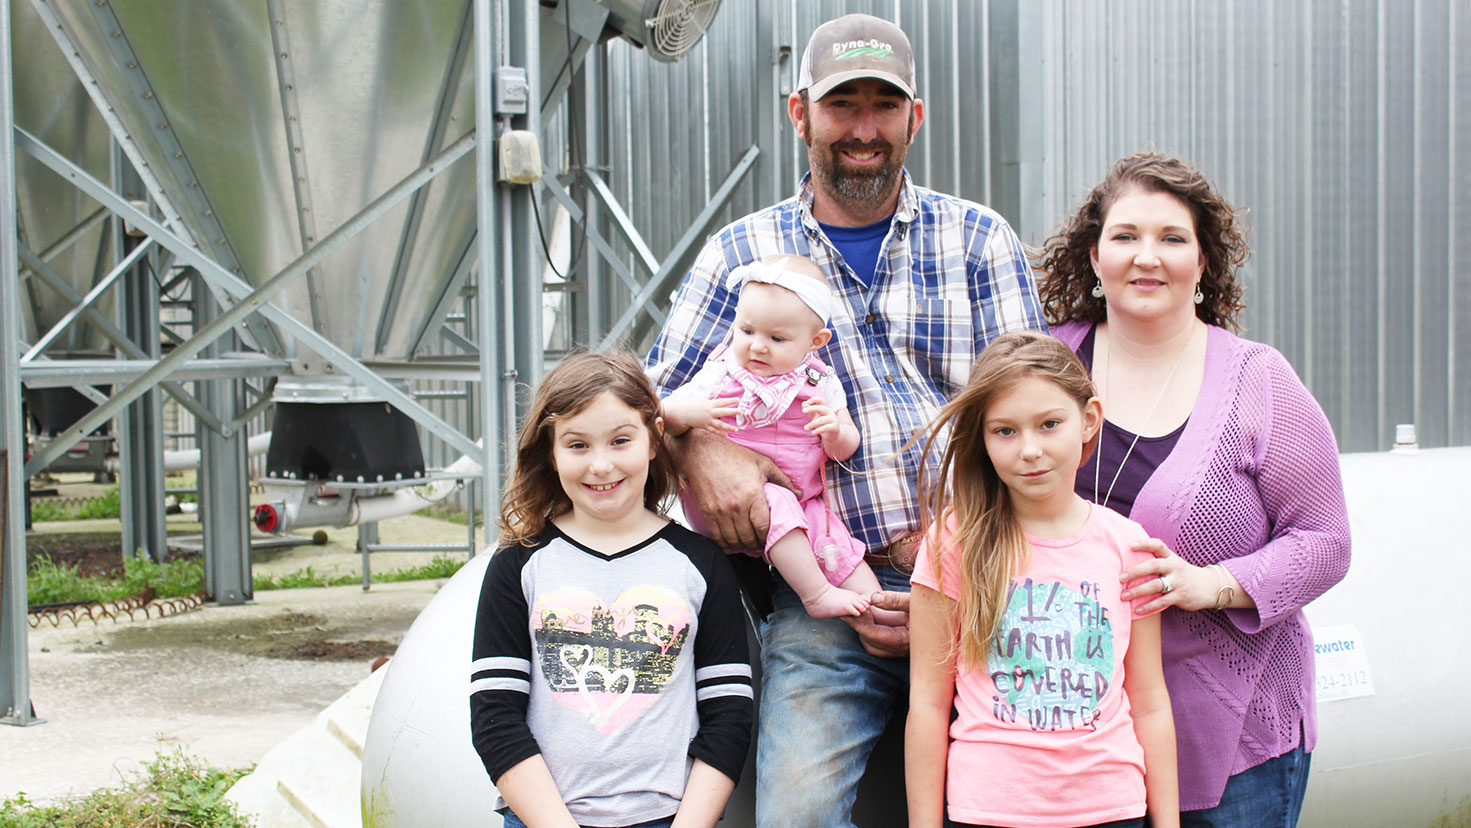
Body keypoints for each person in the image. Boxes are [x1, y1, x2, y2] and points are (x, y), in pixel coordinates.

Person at [645, 12, 1047, 826]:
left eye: (883, 106)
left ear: (914, 118)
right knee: (791, 812)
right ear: (800, 115)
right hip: (823, 589)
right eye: (841, 106)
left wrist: (956, 575)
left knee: (1034, 804)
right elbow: (644, 408)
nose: (863, 129)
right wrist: (701, 453)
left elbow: (1040, 413)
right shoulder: (739, 255)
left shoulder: (978, 242)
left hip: (985, 585)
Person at [1035, 152, 1352, 827]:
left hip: (1229, 739)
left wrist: (1212, 584)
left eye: (1171, 238)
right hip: (1064, 731)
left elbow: (1325, 543)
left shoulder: (1258, 382)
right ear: (1093, 255)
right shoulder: (1041, 365)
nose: (1145, 256)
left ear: (1202, 263)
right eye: (1125, 236)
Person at [469, 351, 754, 828]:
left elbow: (729, 716)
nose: (601, 465)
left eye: (620, 440)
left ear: (653, 439)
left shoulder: (701, 564)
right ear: (550, 451)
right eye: (577, 445)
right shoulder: (518, 562)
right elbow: (495, 715)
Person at [906, 331, 1178, 828]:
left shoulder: (1128, 545)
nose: (1029, 450)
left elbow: (1151, 702)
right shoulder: (953, 542)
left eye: (1049, 424)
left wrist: (1168, 822)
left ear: (1089, 420)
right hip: (989, 810)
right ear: (982, 439)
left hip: (1112, 807)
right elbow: (926, 703)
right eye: (1004, 431)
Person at [663, 255, 900, 624]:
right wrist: (692, 415)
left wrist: (834, 433)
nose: (757, 347)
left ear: (815, 341)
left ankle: (881, 610)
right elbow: (665, 415)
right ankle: (817, 595)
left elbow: (845, 446)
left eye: (776, 338)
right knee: (780, 506)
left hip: (802, 498)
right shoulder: (724, 373)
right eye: (746, 331)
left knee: (835, 542)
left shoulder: (820, 381)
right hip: (735, 497)